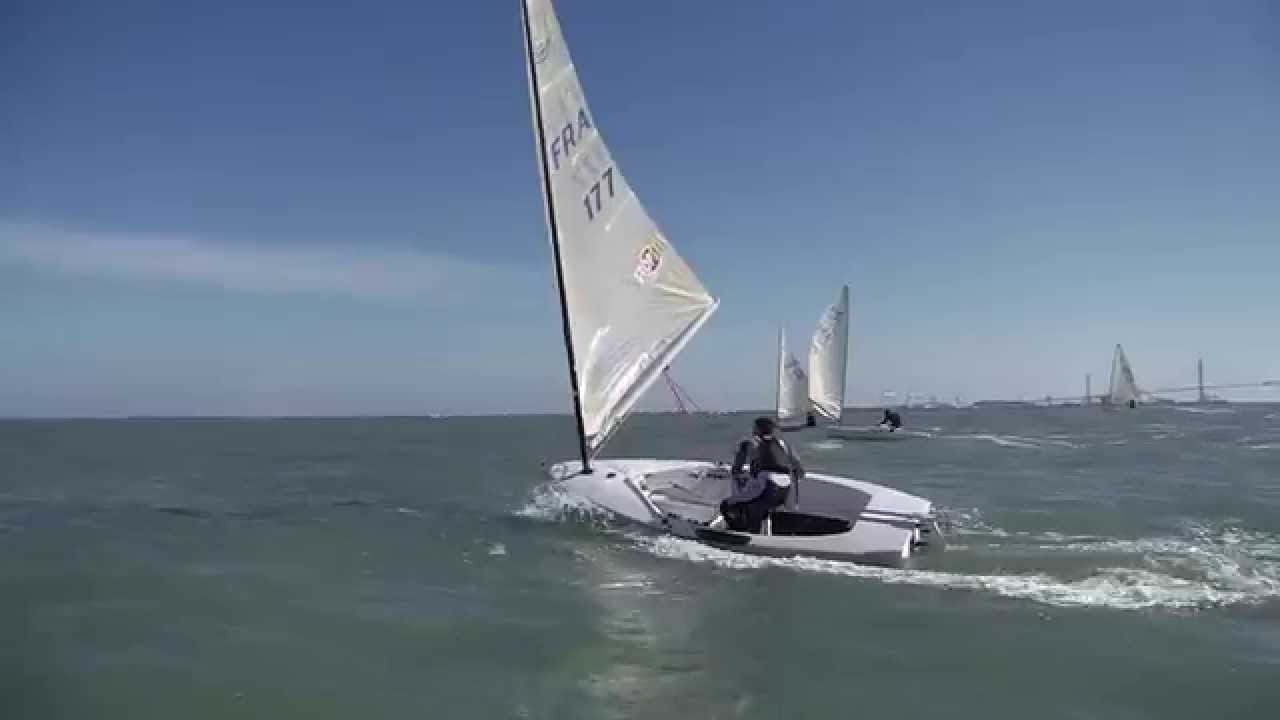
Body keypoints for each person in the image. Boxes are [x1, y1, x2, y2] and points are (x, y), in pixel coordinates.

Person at [717, 417, 805, 533]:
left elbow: (740, 470)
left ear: (757, 430)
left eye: (754, 428)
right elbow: (800, 471)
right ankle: (761, 532)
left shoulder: (751, 443)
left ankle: (740, 531)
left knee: (726, 505)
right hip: (785, 490)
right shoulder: (783, 444)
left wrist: (740, 475)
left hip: (768, 487)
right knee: (762, 508)